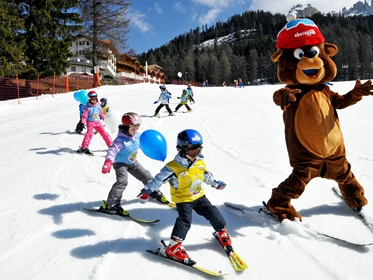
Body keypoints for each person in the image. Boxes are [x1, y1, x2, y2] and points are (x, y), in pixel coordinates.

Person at [137, 129, 230, 264]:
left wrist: (215, 184)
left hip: (199, 196)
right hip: (183, 200)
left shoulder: (199, 162)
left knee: (213, 212)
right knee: (185, 221)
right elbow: (158, 180)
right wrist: (147, 191)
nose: (196, 154)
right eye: (193, 151)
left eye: (199, 150)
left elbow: (205, 175)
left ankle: (221, 232)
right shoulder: (173, 168)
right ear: (182, 149)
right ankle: (173, 247)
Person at [100, 112, 169, 213]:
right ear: (126, 127)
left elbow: (146, 143)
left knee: (147, 176)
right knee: (122, 182)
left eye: (137, 128)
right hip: (120, 164)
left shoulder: (137, 136)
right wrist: (108, 162)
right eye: (133, 128)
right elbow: (112, 151)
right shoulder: (120, 140)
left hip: (132, 162)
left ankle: (152, 191)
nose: (135, 131)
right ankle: (112, 204)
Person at [77, 90, 112, 155]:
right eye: (92, 99)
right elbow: (85, 115)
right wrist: (82, 123)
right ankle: (84, 147)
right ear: (89, 99)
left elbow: (101, 113)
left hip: (97, 122)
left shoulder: (98, 105)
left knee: (104, 133)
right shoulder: (87, 107)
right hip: (90, 122)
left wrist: (104, 119)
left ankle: (110, 145)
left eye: (95, 99)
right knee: (89, 134)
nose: (93, 100)